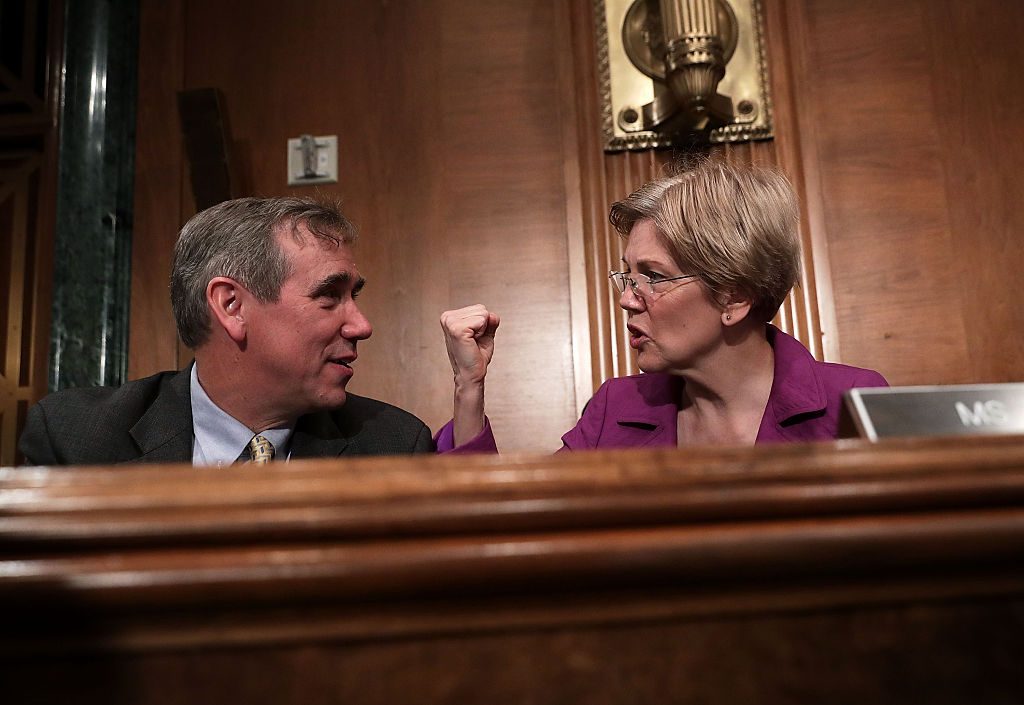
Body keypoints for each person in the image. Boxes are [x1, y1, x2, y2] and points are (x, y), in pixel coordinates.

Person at [437, 160, 887, 452]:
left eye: (652, 277)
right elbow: (516, 541)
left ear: (734, 296)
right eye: (627, 276)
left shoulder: (853, 406)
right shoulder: (615, 411)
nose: (626, 299)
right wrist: (469, 386)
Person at [19, 197, 433, 466]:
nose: (362, 326)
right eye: (329, 296)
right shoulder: (74, 441)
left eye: (354, 296)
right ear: (231, 306)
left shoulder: (393, 445)